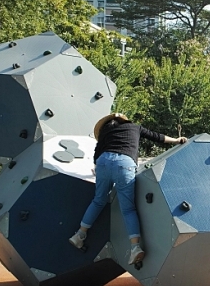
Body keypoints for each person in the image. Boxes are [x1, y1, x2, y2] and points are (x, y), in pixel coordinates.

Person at [68, 113, 187, 266]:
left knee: (98, 200)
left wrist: (97, 168)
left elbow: (97, 152)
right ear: (124, 121)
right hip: (125, 163)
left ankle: (80, 234)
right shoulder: (134, 127)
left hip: (103, 162)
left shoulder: (105, 132)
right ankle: (135, 247)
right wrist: (177, 140)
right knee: (128, 209)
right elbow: (157, 137)